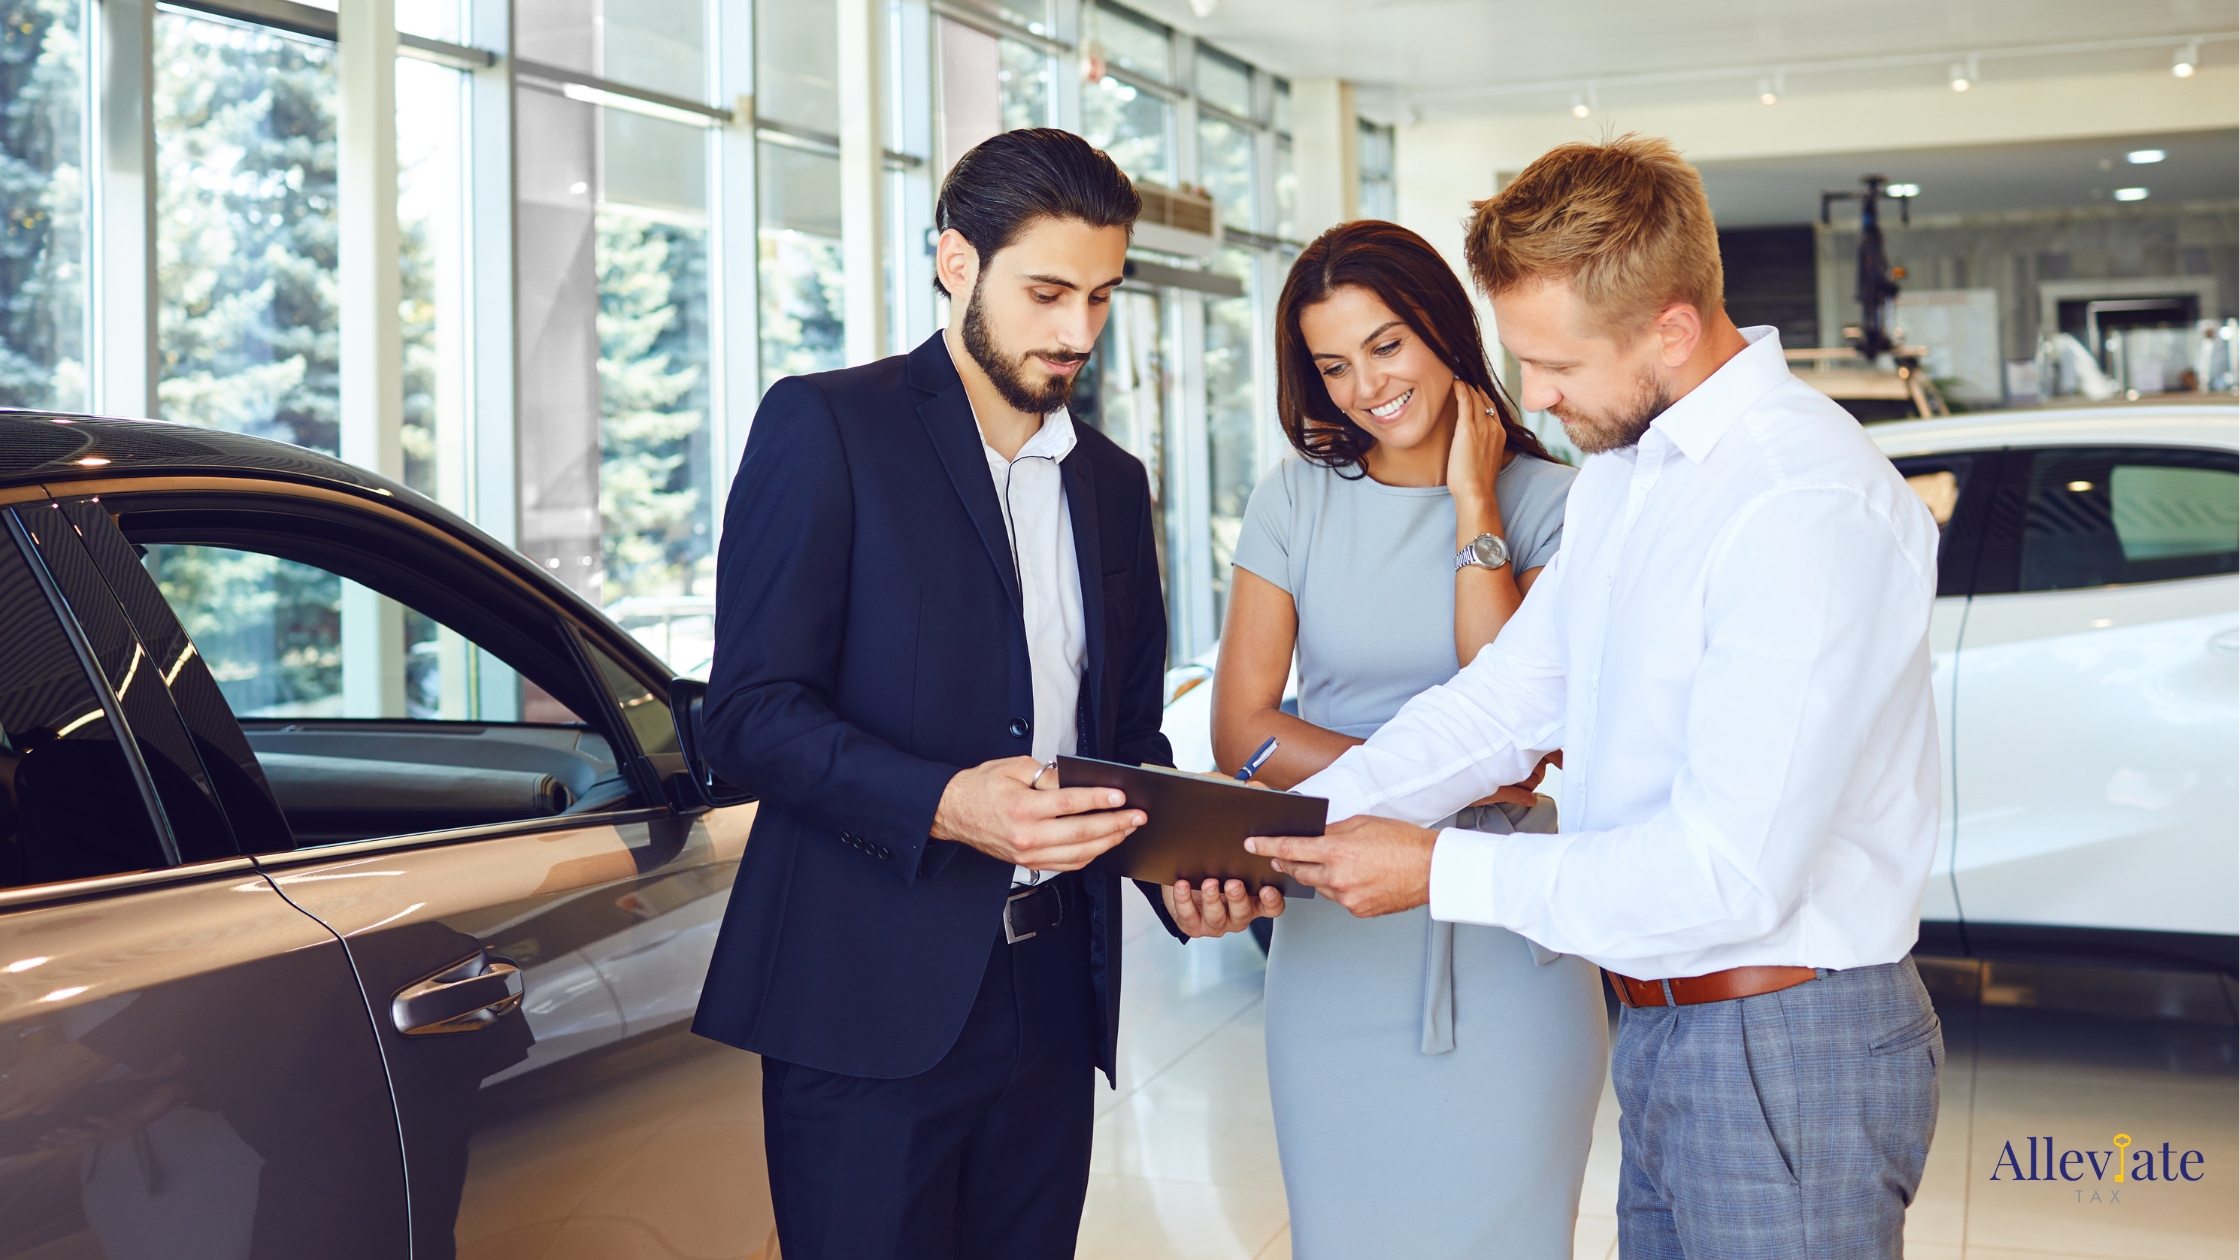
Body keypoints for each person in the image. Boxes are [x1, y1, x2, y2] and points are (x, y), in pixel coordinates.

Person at [1247, 134, 1945, 1260]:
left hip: (1783, 1035)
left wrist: (1434, 868)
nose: (1533, 395)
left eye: (1556, 364)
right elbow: (1500, 704)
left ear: (1669, 327)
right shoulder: (1631, 477)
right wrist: (1279, 834)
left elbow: (1728, 871)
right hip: (1665, 1023)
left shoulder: (1802, 506)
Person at [692, 128, 1275, 1260]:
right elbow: (748, 714)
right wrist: (947, 803)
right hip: (866, 1000)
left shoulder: (1112, 485)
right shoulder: (826, 427)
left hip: (1053, 995)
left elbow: (1116, 738)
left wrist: (1179, 878)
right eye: (1046, 292)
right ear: (955, 262)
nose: (1075, 334)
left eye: (1100, 298)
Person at [1211, 219, 1604, 1258]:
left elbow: (1518, 725)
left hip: (1509, 938)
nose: (1363, 386)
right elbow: (1241, 730)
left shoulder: (1562, 505)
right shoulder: (1293, 499)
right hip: (1333, 932)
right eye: (1331, 364)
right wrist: (1429, 792)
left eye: (1384, 344)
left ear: (1441, 325)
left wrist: (1474, 501)